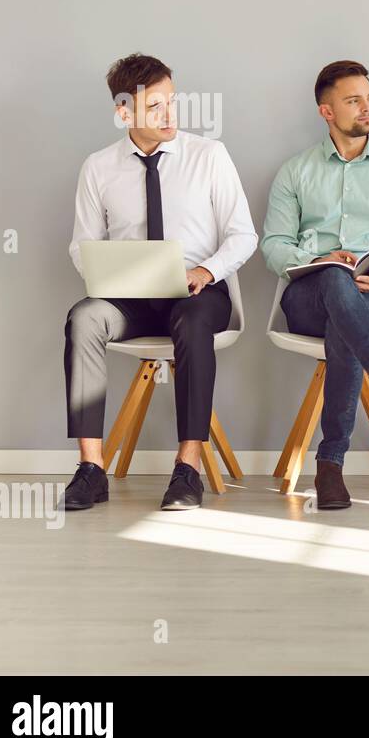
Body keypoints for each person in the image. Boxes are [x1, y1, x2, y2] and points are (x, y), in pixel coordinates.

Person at [64, 54, 257, 511]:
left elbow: (243, 234)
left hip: (198, 294)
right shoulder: (98, 167)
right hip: (131, 298)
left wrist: (205, 271)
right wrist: (111, 272)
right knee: (84, 318)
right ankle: (91, 469)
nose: (170, 114)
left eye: (172, 101)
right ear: (124, 113)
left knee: (191, 321)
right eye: (155, 107)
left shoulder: (209, 156)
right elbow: (81, 245)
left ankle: (187, 467)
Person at [261, 60, 369, 509]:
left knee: (347, 324)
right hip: (308, 298)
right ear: (326, 111)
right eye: (353, 100)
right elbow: (273, 246)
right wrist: (319, 259)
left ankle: (330, 465)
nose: (366, 108)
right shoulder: (295, 172)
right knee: (337, 280)